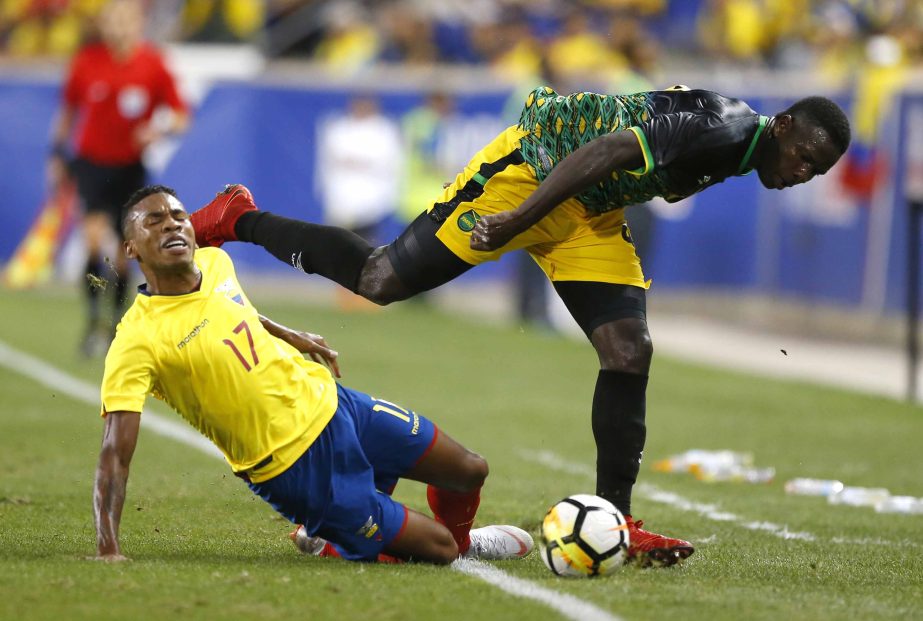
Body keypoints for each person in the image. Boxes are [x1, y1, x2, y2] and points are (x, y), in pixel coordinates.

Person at [189, 86, 852, 567]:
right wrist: (515, 218)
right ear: (784, 122)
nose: (801, 173)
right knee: (380, 280)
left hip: (586, 214)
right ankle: (238, 216)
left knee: (628, 348)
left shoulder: (746, 151)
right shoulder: (724, 125)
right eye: (802, 157)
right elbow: (607, 148)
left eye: (814, 172)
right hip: (536, 172)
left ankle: (615, 523)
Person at [93, 185, 533, 565]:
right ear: (129, 247)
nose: (172, 225)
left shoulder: (214, 264)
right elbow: (115, 452)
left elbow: (223, 309)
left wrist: (289, 333)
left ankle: (460, 544)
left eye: (178, 216)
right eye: (154, 221)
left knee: (470, 470)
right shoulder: (136, 340)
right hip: (295, 466)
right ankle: (334, 540)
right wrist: (108, 546)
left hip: (336, 405)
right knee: (436, 550)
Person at [48, 0, 189, 356]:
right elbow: (67, 112)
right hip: (93, 165)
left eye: (126, 20)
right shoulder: (87, 62)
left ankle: (114, 322)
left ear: (139, 24)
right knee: (94, 240)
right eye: (113, 20)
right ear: (104, 24)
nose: (119, 27)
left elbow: (180, 115)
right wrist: (56, 154)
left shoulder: (152, 64)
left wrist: (158, 131)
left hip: (131, 169)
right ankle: (92, 319)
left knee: (125, 254)